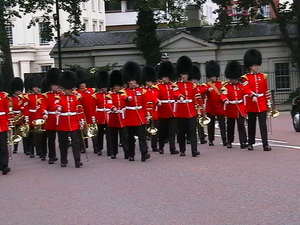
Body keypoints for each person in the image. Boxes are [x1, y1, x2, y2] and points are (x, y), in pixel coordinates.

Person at [243, 49, 272, 151]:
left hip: (262, 103)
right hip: (251, 104)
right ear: (250, 66)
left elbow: (266, 90)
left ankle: (265, 144)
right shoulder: (245, 78)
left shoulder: (263, 76)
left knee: (263, 125)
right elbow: (245, 89)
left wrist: (269, 104)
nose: (257, 67)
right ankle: (250, 143)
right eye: (255, 65)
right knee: (251, 125)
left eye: (257, 65)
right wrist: (252, 95)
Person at [122, 61, 151, 162]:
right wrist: (127, 98)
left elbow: (144, 104)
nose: (132, 83)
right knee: (130, 138)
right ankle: (131, 155)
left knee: (142, 138)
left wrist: (146, 115)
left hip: (140, 117)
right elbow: (123, 98)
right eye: (130, 81)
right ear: (127, 82)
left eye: (133, 81)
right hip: (130, 118)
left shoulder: (142, 91)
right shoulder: (124, 91)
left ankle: (144, 154)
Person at [221, 61, 252, 149]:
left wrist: (252, 95)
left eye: (234, 78)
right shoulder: (225, 86)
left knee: (241, 125)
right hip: (230, 108)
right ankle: (229, 141)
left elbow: (246, 91)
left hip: (240, 108)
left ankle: (243, 142)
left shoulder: (241, 85)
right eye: (232, 78)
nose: (233, 80)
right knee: (230, 126)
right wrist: (225, 99)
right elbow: (223, 94)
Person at [175, 56, 200, 157]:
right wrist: (179, 96)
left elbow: (197, 97)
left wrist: (200, 109)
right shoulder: (176, 85)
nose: (184, 76)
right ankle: (182, 150)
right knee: (181, 133)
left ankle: (194, 150)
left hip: (192, 112)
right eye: (182, 74)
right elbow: (174, 93)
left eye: (185, 74)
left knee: (193, 132)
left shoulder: (192, 85)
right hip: (181, 112)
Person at [57, 71, 83, 168]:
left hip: (74, 123)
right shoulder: (59, 97)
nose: (68, 91)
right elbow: (57, 105)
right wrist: (58, 108)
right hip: (63, 124)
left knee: (76, 143)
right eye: (66, 89)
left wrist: (81, 121)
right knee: (63, 143)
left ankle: (77, 160)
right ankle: (64, 160)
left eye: (69, 89)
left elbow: (79, 110)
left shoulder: (76, 97)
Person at [157, 61, 179, 155]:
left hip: (172, 112)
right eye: (164, 77)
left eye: (167, 77)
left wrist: (179, 96)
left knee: (172, 132)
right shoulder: (158, 86)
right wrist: (157, 101)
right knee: (162, 132)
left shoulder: (173, 85)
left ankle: (172, 149)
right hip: (162, 112)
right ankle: (161, 147)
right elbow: (155, 96)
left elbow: (177, 93)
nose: (165, 78)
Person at [106, 70, 129, 159]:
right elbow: (108, 103)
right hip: (113, 118)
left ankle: (126, 152)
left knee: (124, 137)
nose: (117, 88)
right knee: (113, 137)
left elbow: (127, 99)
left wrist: (128, 98)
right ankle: (113, 153)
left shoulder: (123, 94)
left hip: (122, 118)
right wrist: (113, 107)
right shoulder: (109, 95)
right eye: (115, 87)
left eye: (118, 86)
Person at [23, 76, 47, 159]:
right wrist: (26, 118)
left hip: (40, 118)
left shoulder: (42, 96)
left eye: (37, 87)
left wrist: (44, 113)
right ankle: (32, 151)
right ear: (32, 88)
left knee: (40, 136)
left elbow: (43, 106)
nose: (36, 89)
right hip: (31, 118)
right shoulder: (27, 97)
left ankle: (40, 152)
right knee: (32, 136)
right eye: (35, 87)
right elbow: (26, 108)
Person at [205, 61, 227, 147]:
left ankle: (224, 139)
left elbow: (223, 93)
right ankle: (211, 140)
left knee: (222, 125)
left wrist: (224, 99)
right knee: (210, 125)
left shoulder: (221, 84)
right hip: (210, 108)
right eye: (211, 76)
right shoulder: (207, 85)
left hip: (219, 107)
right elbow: (202, 91)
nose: (213, 78)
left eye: (214, 76)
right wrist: (207, 90)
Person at [44, 68, 62, 164]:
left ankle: (63, 157)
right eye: (54, 85)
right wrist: (45, 113)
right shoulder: (47, 95)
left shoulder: (63, 95)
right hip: (51, 120)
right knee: (51, 140)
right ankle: (52, 156)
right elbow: (44, 106)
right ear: (51, 85)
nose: (55, 87)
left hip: (61, 120)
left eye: (56, 85)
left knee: (62, 140)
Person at [142, 65, 160, 152]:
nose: (149, 83)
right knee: (144, 131)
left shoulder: (156, 89)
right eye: (147, 81)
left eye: (150, 81)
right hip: (145, 112)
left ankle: (154, 146)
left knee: (154, 129)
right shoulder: (143, 90)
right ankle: (145, 146)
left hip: (154, 111)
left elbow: (156, 98)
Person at [190, 65, 207, 144]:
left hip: (199, 108)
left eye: (195, 79)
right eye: (193, 79)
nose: (194, 81)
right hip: (191, 108)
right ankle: (189, 138)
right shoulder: (189, 87)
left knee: (201, 123)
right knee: (192, 124)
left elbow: (204, 90)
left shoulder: (201, 87)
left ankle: (202, 137)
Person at [94, 71, 109, 156]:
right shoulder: (96, 95)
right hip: (100, 117)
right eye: (103, 87)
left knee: (109, 135)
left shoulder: (109, 95)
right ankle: (99, 148)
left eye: (105, 87)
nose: (104, 89)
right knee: (99, 134)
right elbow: (94, 107)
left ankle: (110, 149)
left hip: (108, 116)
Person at [9, 77, 25, 154]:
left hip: (22, 117)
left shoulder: (23, 98)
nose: (19, 91)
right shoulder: (10, 99)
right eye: (17, 90)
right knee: (15, 133)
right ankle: (15, 148)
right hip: (15, 118)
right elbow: (10, 109)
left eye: (20, 89)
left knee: (23, 133)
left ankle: (27, 149)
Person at [0, 81, 11, 175]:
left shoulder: (3, 96)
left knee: (3, 146)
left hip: (2, 125)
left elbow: (7, 111)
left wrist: (8, 122)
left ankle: (5, 166)